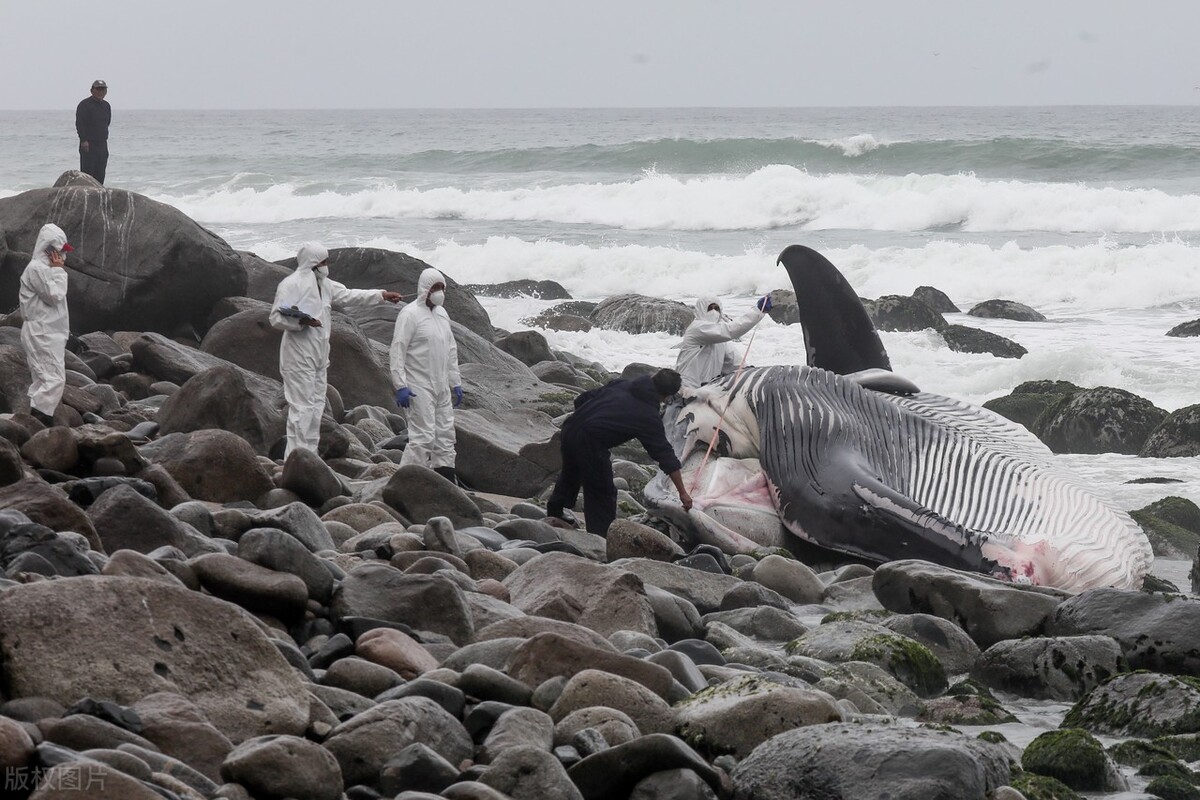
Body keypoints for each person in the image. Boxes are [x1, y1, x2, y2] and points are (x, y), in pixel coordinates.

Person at [270, 243, 401, 457]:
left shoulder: (326, 285)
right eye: (322, 262)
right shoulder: (291, 284)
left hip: (320, 357)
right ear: (312, 263)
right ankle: (295, 457)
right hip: (297, 356)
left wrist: (381, 295)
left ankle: (308, 456)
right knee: (300, 408)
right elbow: (275, 317)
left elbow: (350, 295)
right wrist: (301, 322)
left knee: (316, 407)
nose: (326, 266)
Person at [546, 368, 693, 536]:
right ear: (668, 397)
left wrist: (591, 417)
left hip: (571, 427)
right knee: (602, 490)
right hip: (590, 441)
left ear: (653, 377)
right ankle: (601, 536)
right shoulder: (647, 415)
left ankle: (555, 512)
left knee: (571, 472)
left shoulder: (622, 384)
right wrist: (683, 493)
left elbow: (582, 399)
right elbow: (664, 455)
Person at [390, 267, 464, 483]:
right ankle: (405, 482)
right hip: (418, 386)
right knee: (422, 437)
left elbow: (451, 350)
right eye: (435, 287)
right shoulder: (410, 314)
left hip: (441, 386)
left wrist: (455, 381)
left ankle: (445, 480)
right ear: (425, 289)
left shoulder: (442, 314)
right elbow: (397, 350)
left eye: (442, 287)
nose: (439, 291)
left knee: (445, 436)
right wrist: (400, 385)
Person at [19, 224, 75, 426]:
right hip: (42, 332)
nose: (62, 256)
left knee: (44, 378)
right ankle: (40, 422)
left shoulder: (44, 269)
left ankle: (34, 423)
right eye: (59, 251)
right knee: (53, 379)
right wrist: (59, 271)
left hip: (48, 331)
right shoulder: (37, 269)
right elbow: (55, 295)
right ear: (49, 249)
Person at [674, 295, 773, 389]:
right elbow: (731, 330)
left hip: (705, 391)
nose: (713, 312)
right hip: (687, 387)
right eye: (710, 308)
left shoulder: (721, 340)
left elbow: (735, 363)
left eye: (716, 308)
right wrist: (757, 311)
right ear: (701, 310)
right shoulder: (697, 328)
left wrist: (755, 374)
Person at [76, 80, 111, 184]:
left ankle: (99, 195)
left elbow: (107, 122)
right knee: (88, 175)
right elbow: (79, 124)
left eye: (103, 89)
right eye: (98, 89)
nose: (101, 91)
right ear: (92, 91)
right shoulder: (84, 105)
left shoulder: (106, 106)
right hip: (88, 145)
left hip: (102, 144)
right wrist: (83, 140)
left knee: (100, 173)